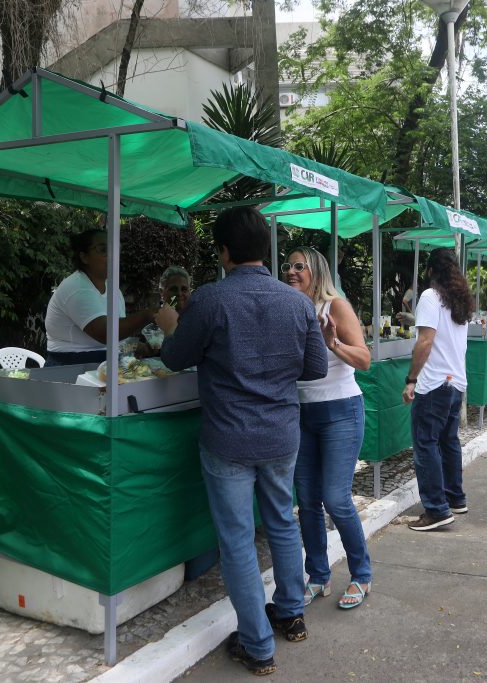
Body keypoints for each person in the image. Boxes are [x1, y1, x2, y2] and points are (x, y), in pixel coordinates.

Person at [155, 207, 329, 674]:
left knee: (235, 542)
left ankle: (257, 645)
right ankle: (291, 614)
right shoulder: (296, 302)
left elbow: (174, 357)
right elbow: (314, 368)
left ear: (224, 251)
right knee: (282, 525)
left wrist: (172, 323)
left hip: (228, 438)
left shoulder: (210, 300)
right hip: (280, 435)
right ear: (266, 250)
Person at [283, 247, 374, 611]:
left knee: (335, 498)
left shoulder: (334, 306)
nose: (290, 271)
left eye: (298, 266)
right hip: (301, 414)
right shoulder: (288, 309)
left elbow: (364, 359)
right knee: (305, 502)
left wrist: (333, 343)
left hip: (340, 410)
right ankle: (318, 576)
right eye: (287, 266)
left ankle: (362, 574)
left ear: (316, 270)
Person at [402, 248, 473, 532]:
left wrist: (411, 378)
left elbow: (426, 342)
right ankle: (455, 498)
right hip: (455, 381)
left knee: (425, 444)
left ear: (430, 270)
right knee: (448, 441)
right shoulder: (460, 300)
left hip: (434, 383)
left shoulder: (430, 296)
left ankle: (436, 509)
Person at [44, 229, 154, 366]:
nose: (112, 255)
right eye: (103, 250)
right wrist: (147, 315)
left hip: (106, 363)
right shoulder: (77, 287)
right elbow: (106, 333)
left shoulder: (114, 290)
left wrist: (136, 346)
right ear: (84, 257)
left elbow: (118, 334)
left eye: (115, 250)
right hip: (70, 367)